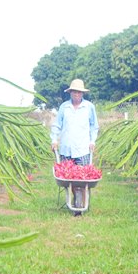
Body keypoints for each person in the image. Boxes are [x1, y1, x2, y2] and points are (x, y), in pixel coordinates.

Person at [51, 79, 99, 216]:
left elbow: (94, 126)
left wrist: (92, 141)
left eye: (79, 92)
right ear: (70, 93)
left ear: (82, 93)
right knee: (69, 178)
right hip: (66, 147)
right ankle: (76, 202)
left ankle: (80, 206)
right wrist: (54, 139)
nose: (77, 94)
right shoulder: (64, 107)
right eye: (74, 92)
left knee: (82, 179)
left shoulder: (89, 107)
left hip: (83, 148)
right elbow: (57, 125)